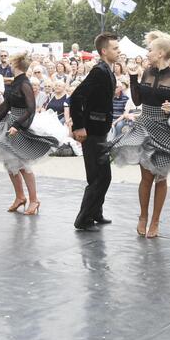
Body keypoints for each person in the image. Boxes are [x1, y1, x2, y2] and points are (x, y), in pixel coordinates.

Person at [111, 31, 170, 238]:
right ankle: (143, 216)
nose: (147, 53)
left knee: (160, 178)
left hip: (164, 128)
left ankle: (155, 220)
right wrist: (133, 78)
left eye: (150, 50)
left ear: (161, 53)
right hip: (145, 125)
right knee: (146, 177)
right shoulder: (147, 72)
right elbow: (136, 101)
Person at [0, 52, 62, 215]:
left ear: (16, 66)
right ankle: (20, 197)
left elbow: (30, 109)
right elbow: (6, 106)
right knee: (10, 163)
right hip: (12, 123)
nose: (10, 65)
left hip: (21, 124)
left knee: (23, 164)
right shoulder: (15, 83)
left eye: (12, 63)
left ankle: (34, 200)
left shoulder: (24, 83)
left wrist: (18, 125)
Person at [70, 32, 120, 231]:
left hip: (100, 130)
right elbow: (76, 97)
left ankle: (95, 212)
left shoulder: (107, 70)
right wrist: (79, 126)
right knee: (99, 177)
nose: (119, 51)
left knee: (101, 175)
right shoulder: (99, 71)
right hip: (92, 131)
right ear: (104, 51)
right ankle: (83, 218)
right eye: (115, 48)